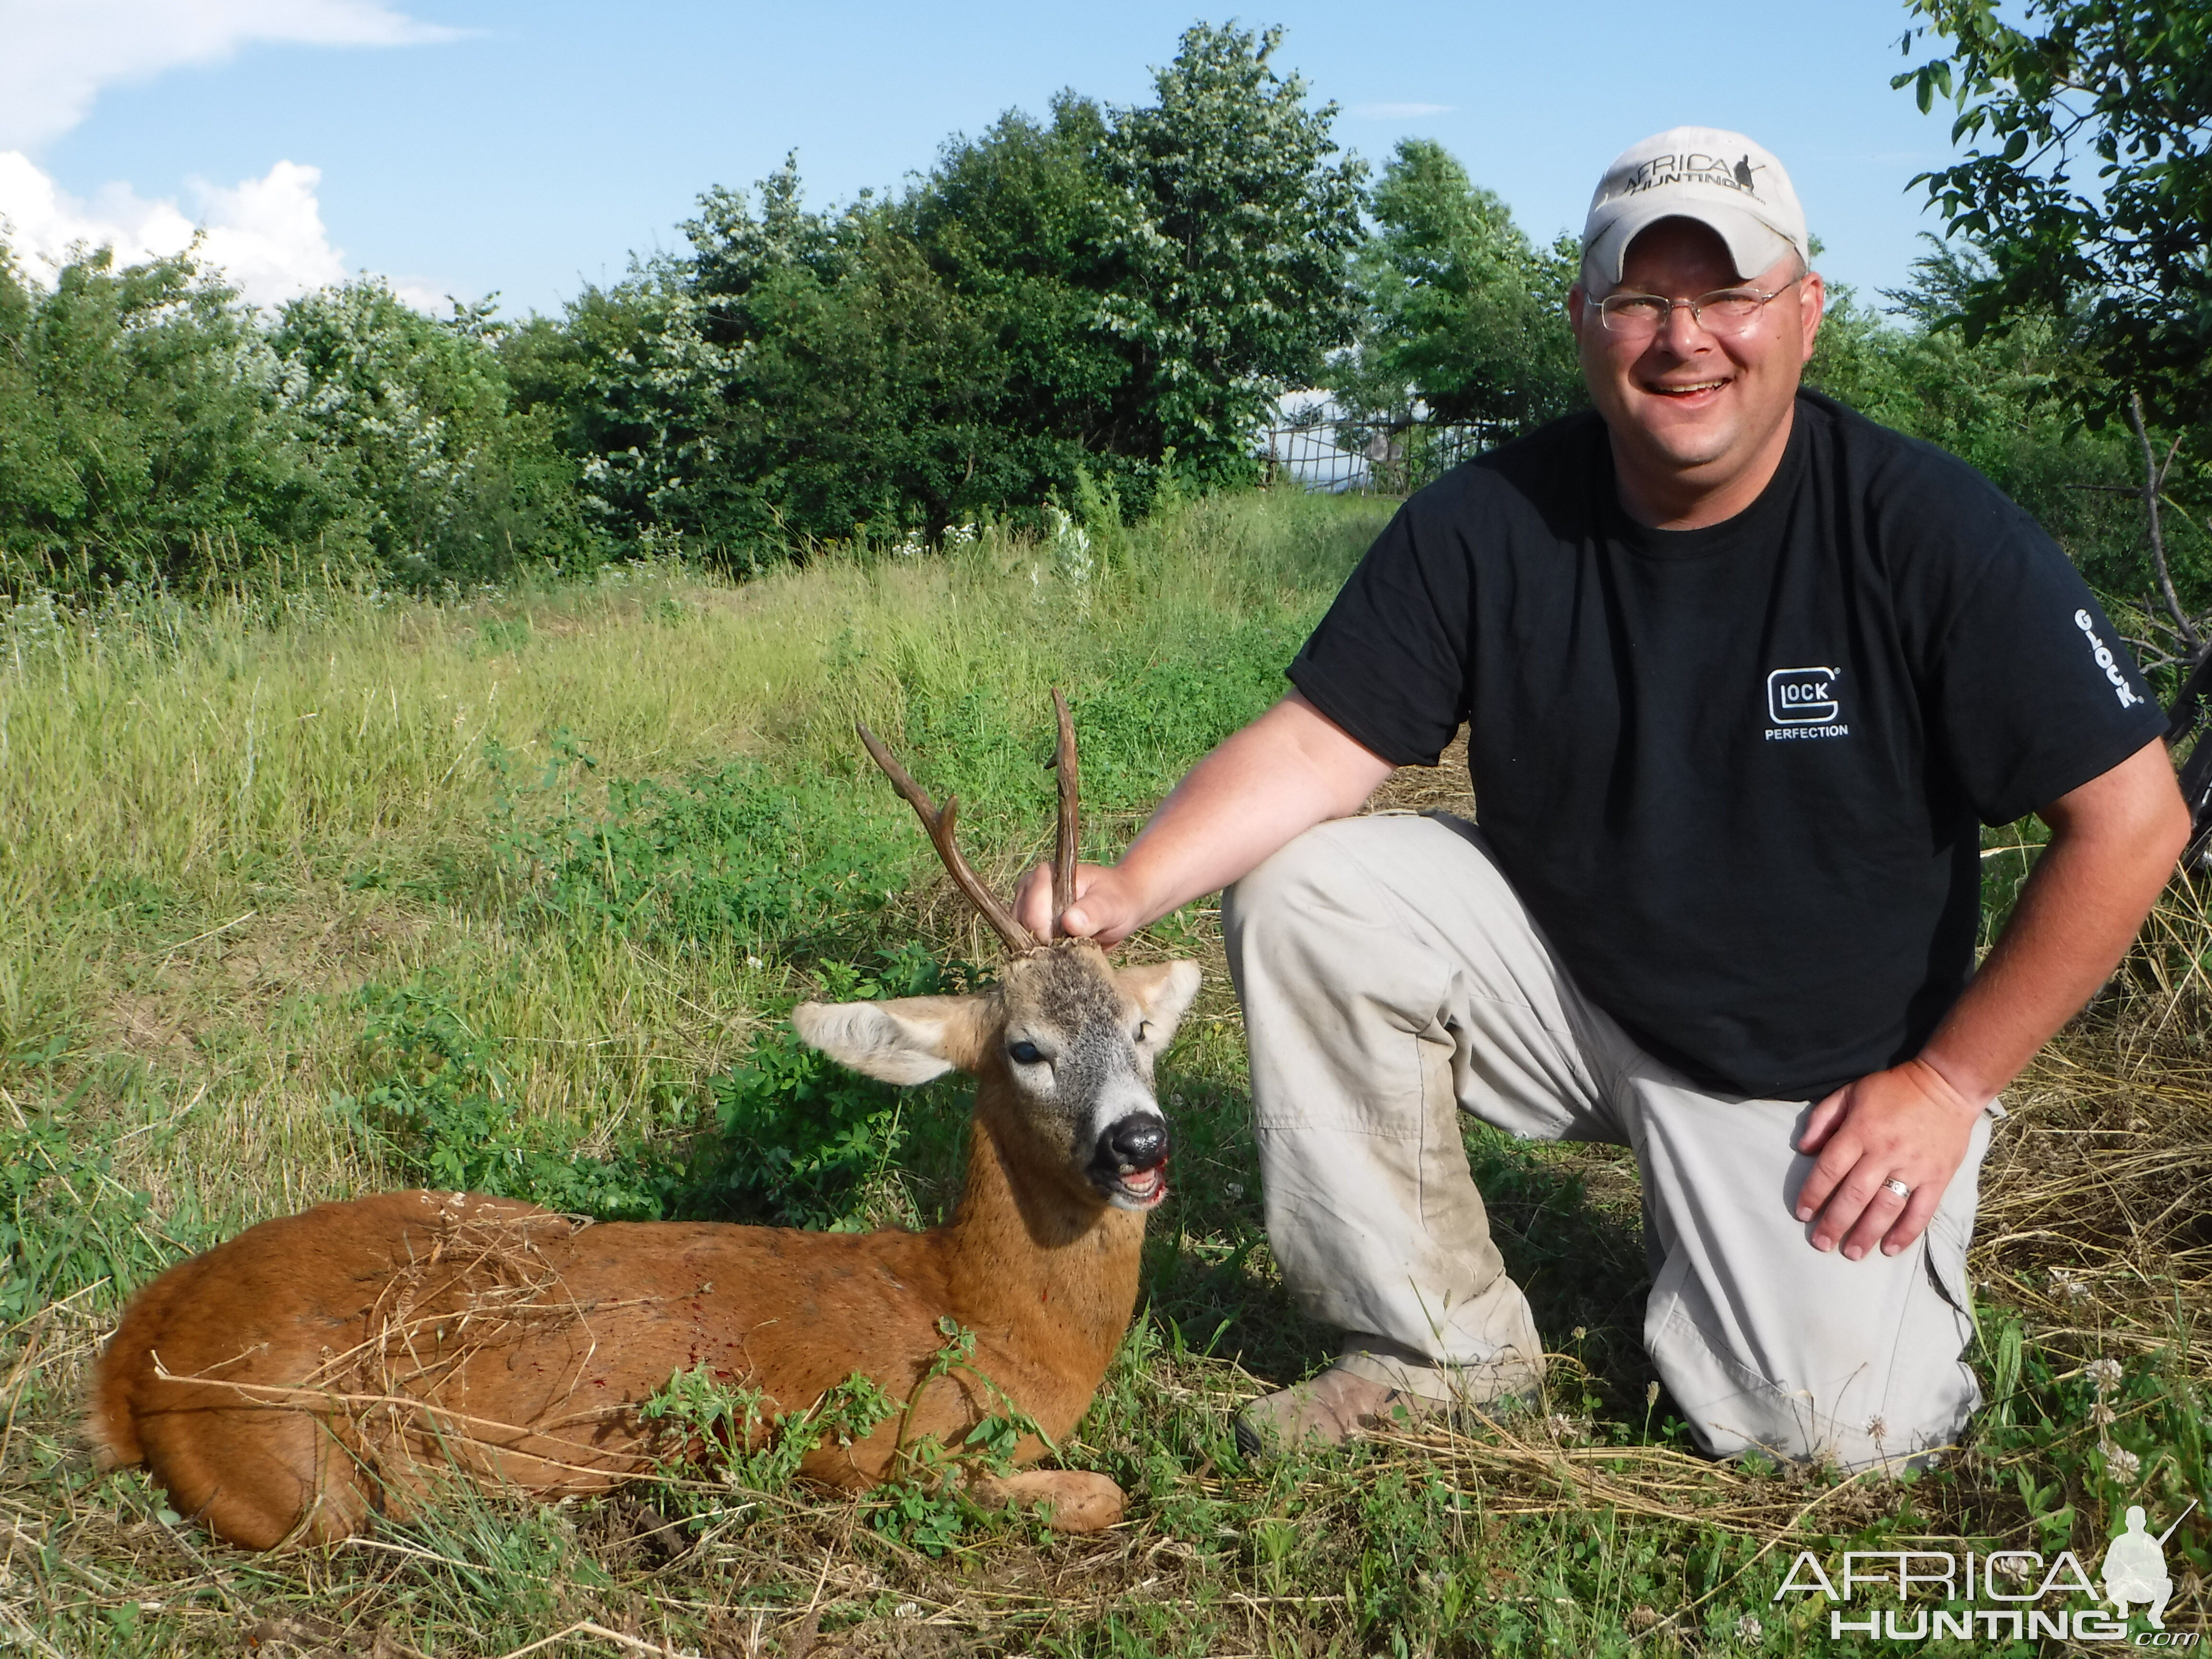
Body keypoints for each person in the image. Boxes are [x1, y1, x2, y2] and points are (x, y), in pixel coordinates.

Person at [1015, 127, 2189, 1471]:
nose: (1683, 340)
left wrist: (1943, 1082)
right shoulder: (1493, 518)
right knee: (1305, 891)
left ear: (1805, 314)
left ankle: (1756, 1240)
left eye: (1727, 297)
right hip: (1571, 990)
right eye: (1639, 300)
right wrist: (1128, 884)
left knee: (1835, 1437)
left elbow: (2135, 818)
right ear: (1583, 322)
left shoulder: (1930, 529)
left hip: (1811, 1078)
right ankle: (1431, 1348)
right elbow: (1318, 742)